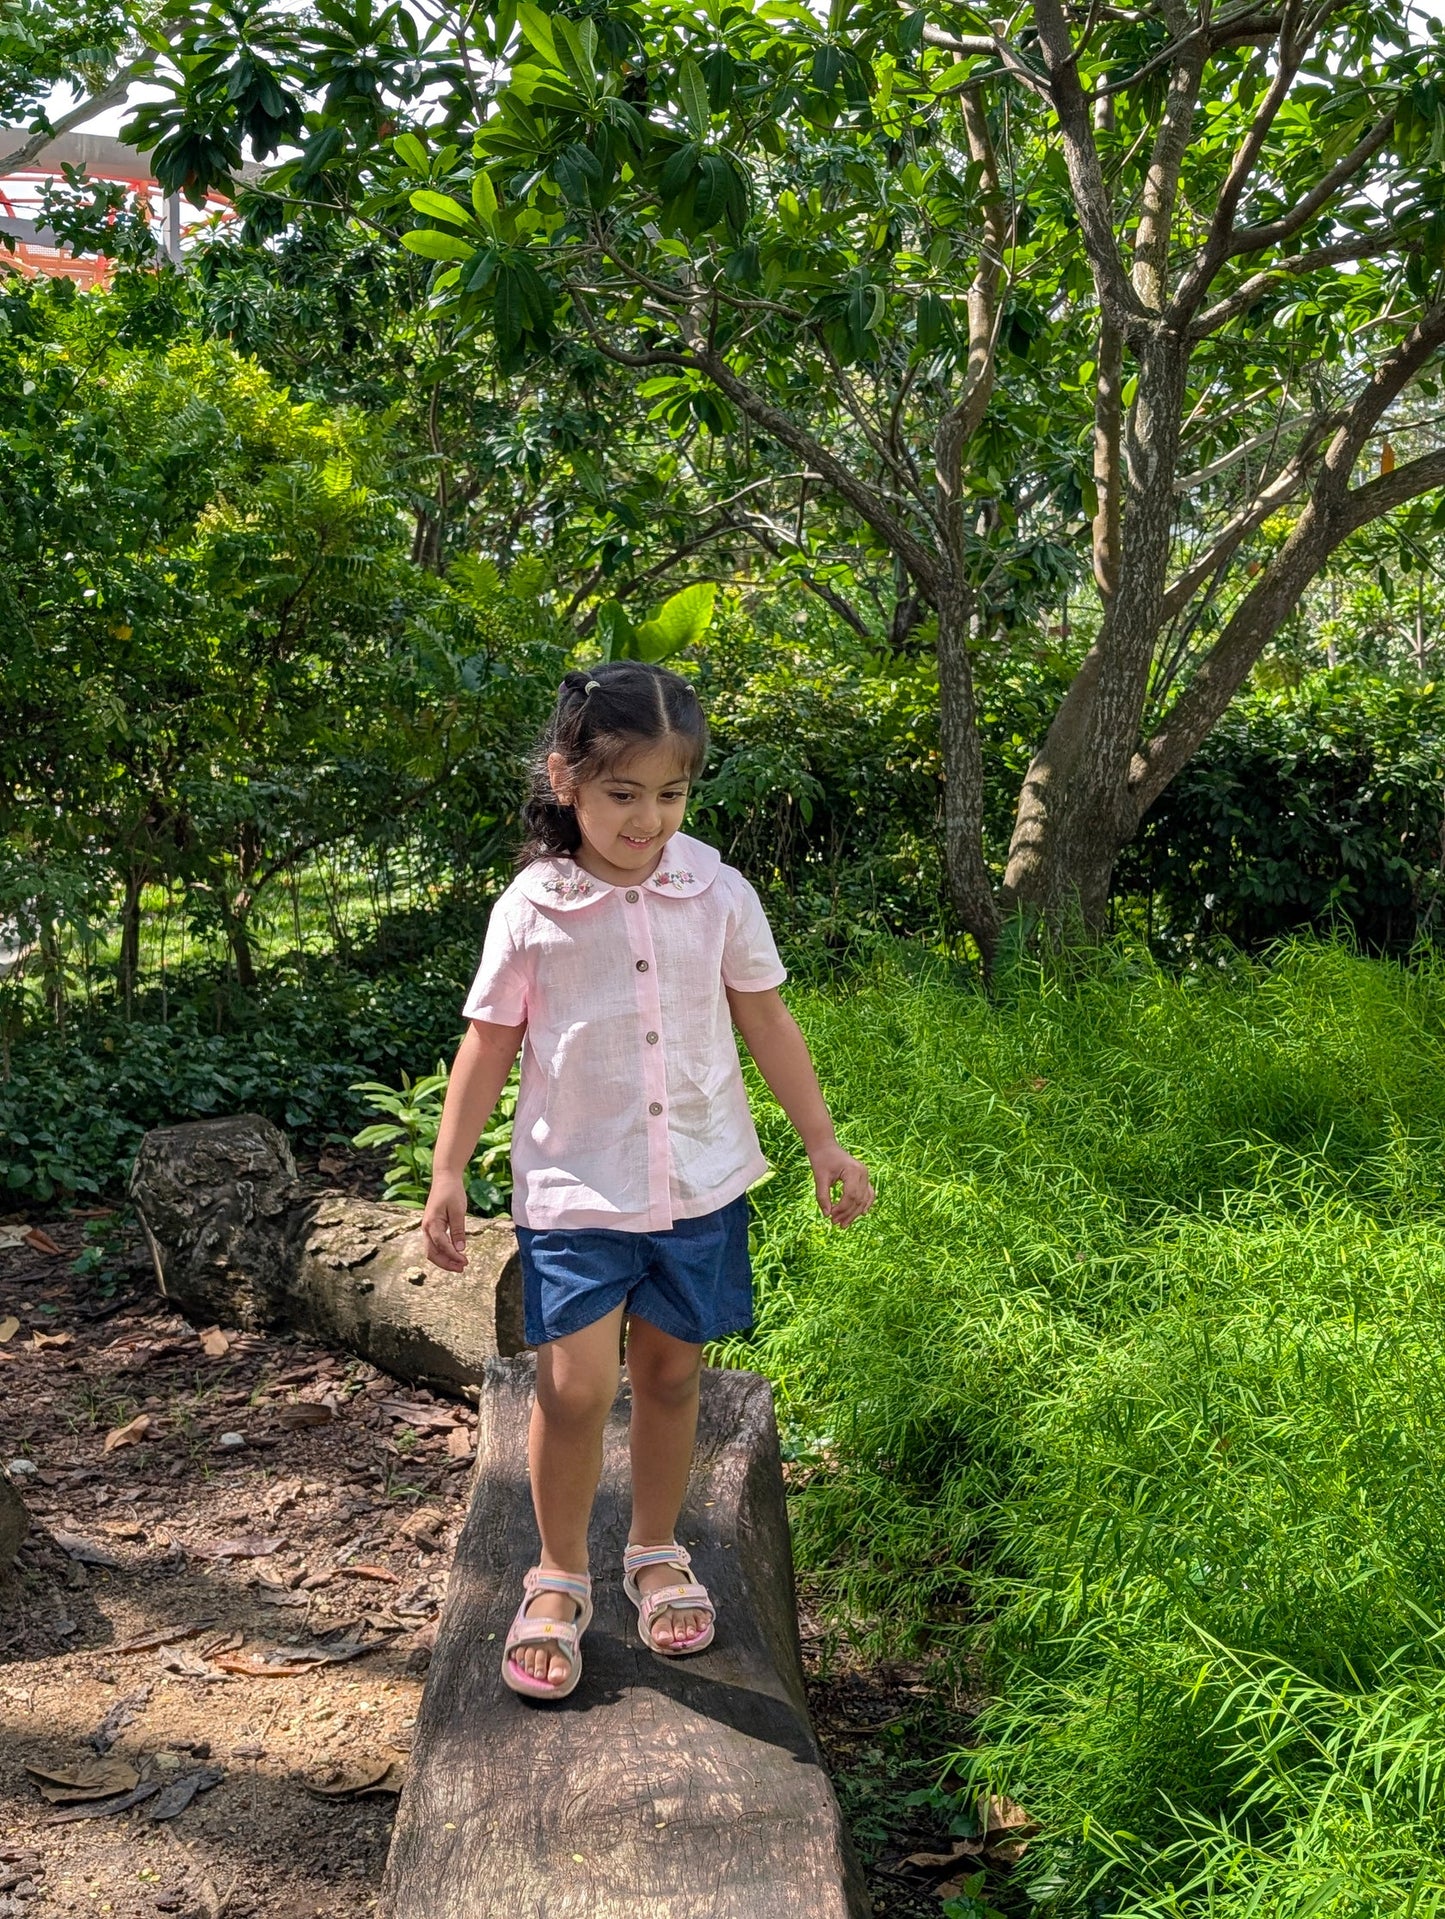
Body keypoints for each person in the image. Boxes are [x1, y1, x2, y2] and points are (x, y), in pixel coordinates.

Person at [421, 659, 874, 1700]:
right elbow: (488, 1041)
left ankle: (656, 1549)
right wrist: (448, 1170)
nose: (646, 817)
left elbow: (765, 1016)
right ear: (565, 779)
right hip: (576, 1188)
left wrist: (821, 1142)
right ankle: (558, 1572)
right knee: (575, 1386)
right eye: (622, 792)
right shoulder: (534, 905)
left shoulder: (714, 889)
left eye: (669, 794)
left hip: (699, 1182)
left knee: (672, 1376)